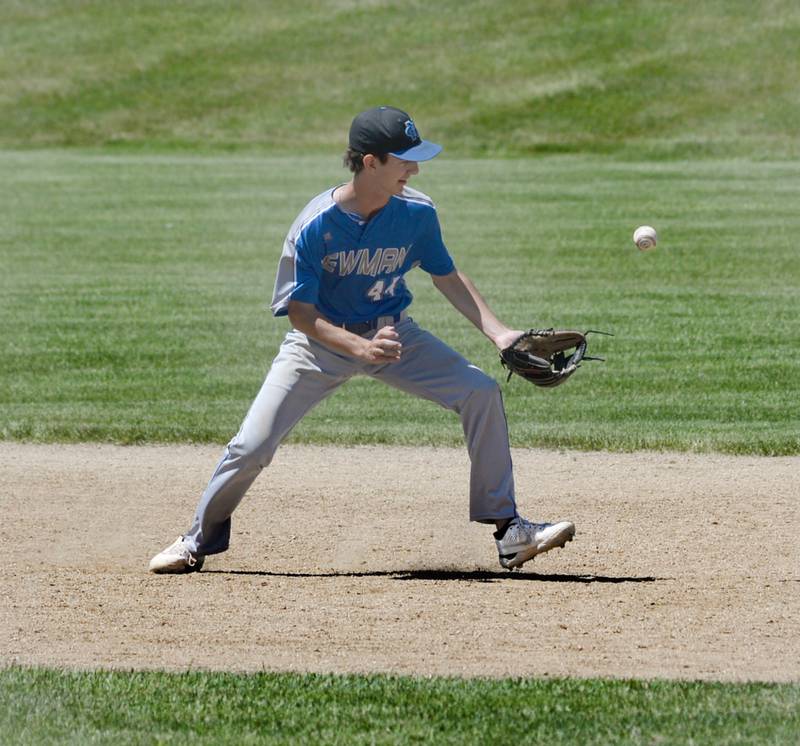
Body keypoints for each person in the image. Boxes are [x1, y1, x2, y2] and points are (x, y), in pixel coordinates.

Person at [149, 105, 575, 574]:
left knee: (481, 392)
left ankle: (508, 529)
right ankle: (196, 540)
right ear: (370, 162)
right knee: (251, 447)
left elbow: (446, 275)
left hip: (395, 336)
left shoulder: (416, 212)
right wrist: (358, 349)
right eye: (404, 160)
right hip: (318, 347)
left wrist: (500, 333)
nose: (414, 169)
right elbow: (301, 316)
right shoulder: (315, 226)